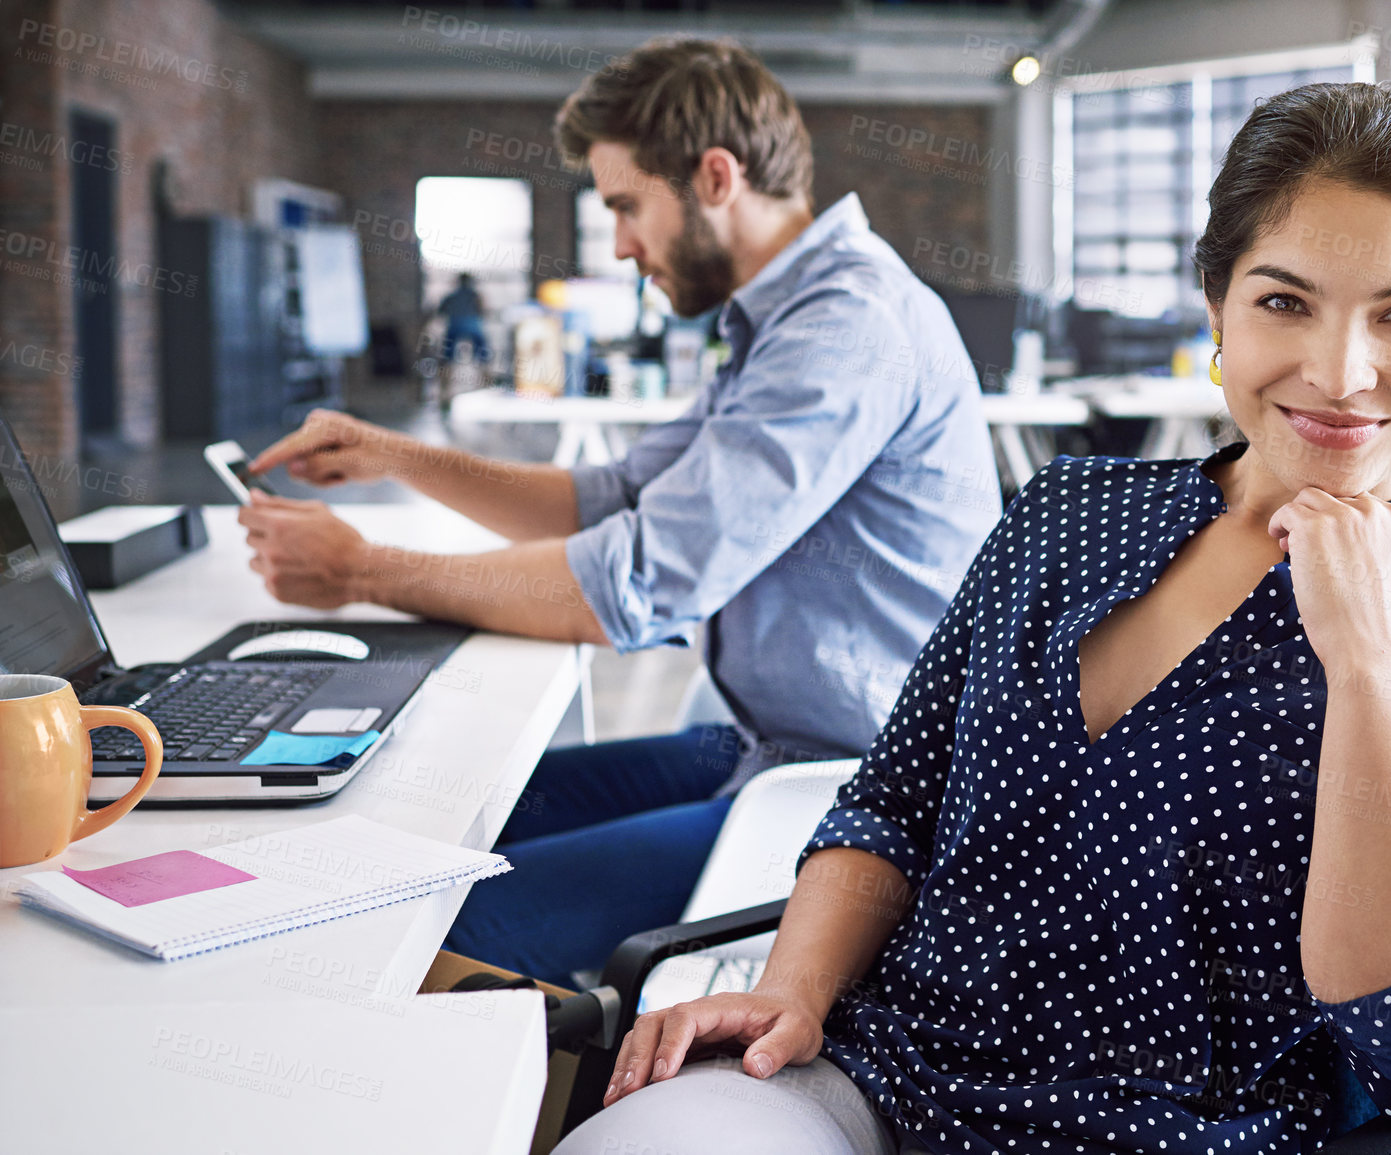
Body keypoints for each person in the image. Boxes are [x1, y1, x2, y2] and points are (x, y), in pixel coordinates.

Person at [559, 82, 1391, 1155]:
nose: (1339, 372)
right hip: (884, 1080)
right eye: (1285, 301)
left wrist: (1369, 657)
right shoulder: (1069, 511)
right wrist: (796, 989)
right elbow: (893, 801)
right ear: (1218, 314)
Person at [239, 39, 1000, 982]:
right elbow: (611, 498)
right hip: (770, 748)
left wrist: (360, 569)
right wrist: (394, 455)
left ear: (715, 177)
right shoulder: (778, 318)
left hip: (859, 803)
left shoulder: (846, 325)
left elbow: (633, 587)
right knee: (427, 825)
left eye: (625, 207)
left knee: (412, 932)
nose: (622, 246)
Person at [435, 272, 490, 366]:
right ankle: (485, 371)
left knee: (448, 349)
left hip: (454, 327)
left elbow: (440, 312)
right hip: (473, 327)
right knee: (482, 349)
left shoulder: (450, 297)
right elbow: (483, 312)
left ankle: (446, 371)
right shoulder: (476, 296)